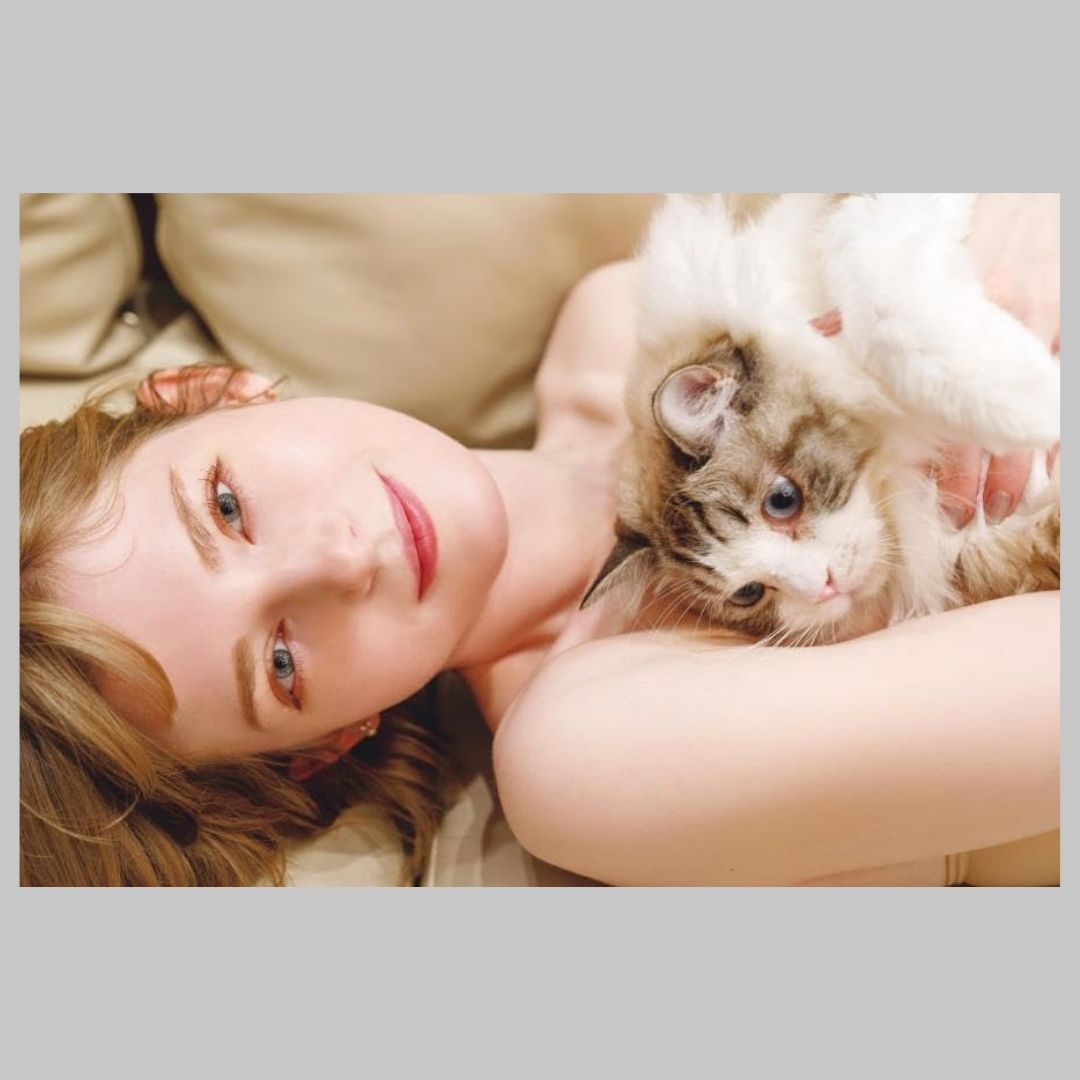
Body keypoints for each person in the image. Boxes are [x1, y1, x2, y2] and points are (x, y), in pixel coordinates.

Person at [19, 193, 1059, 887]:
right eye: (282, 662)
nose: (340, 559)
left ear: (215, 393)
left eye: (226, 508)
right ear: (325, 745)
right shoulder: (588, 754)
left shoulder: (609, 323)